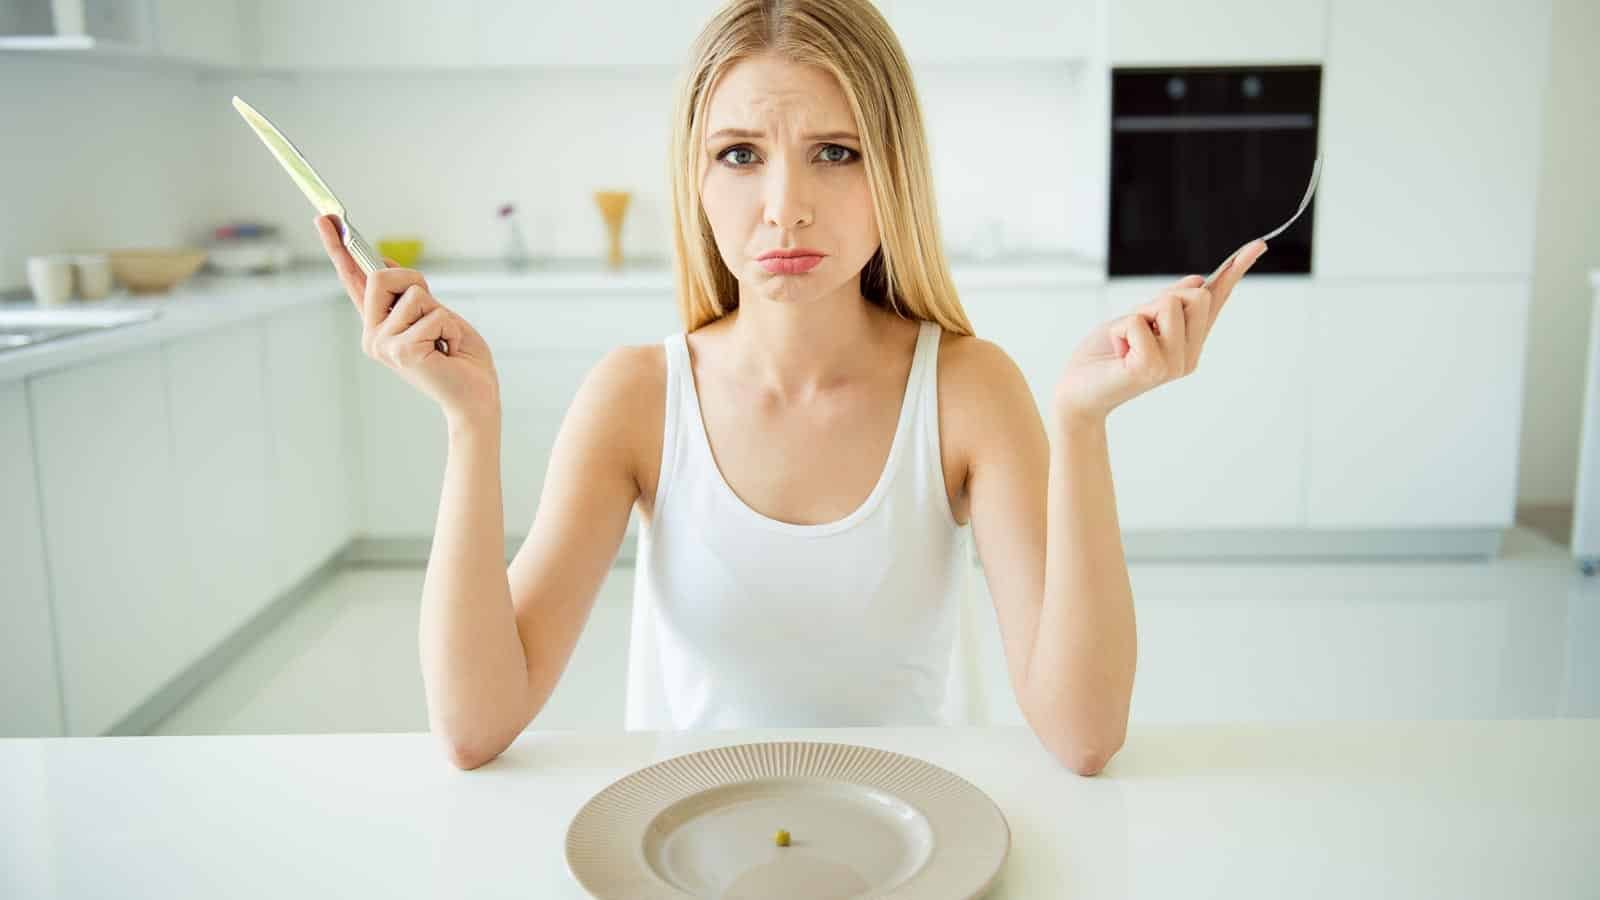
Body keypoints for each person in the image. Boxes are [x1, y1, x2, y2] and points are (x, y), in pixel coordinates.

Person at [313, 0, 1267, 775]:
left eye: (836, 152)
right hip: (687, 847)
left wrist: (1082, 424)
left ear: (893, 171)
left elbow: (1084, 735)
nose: (784, 206)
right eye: (741, 155)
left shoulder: (969, 390)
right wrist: (470, 426)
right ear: (696, 178)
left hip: (911, 847)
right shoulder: (637, 397)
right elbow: (477, 727)